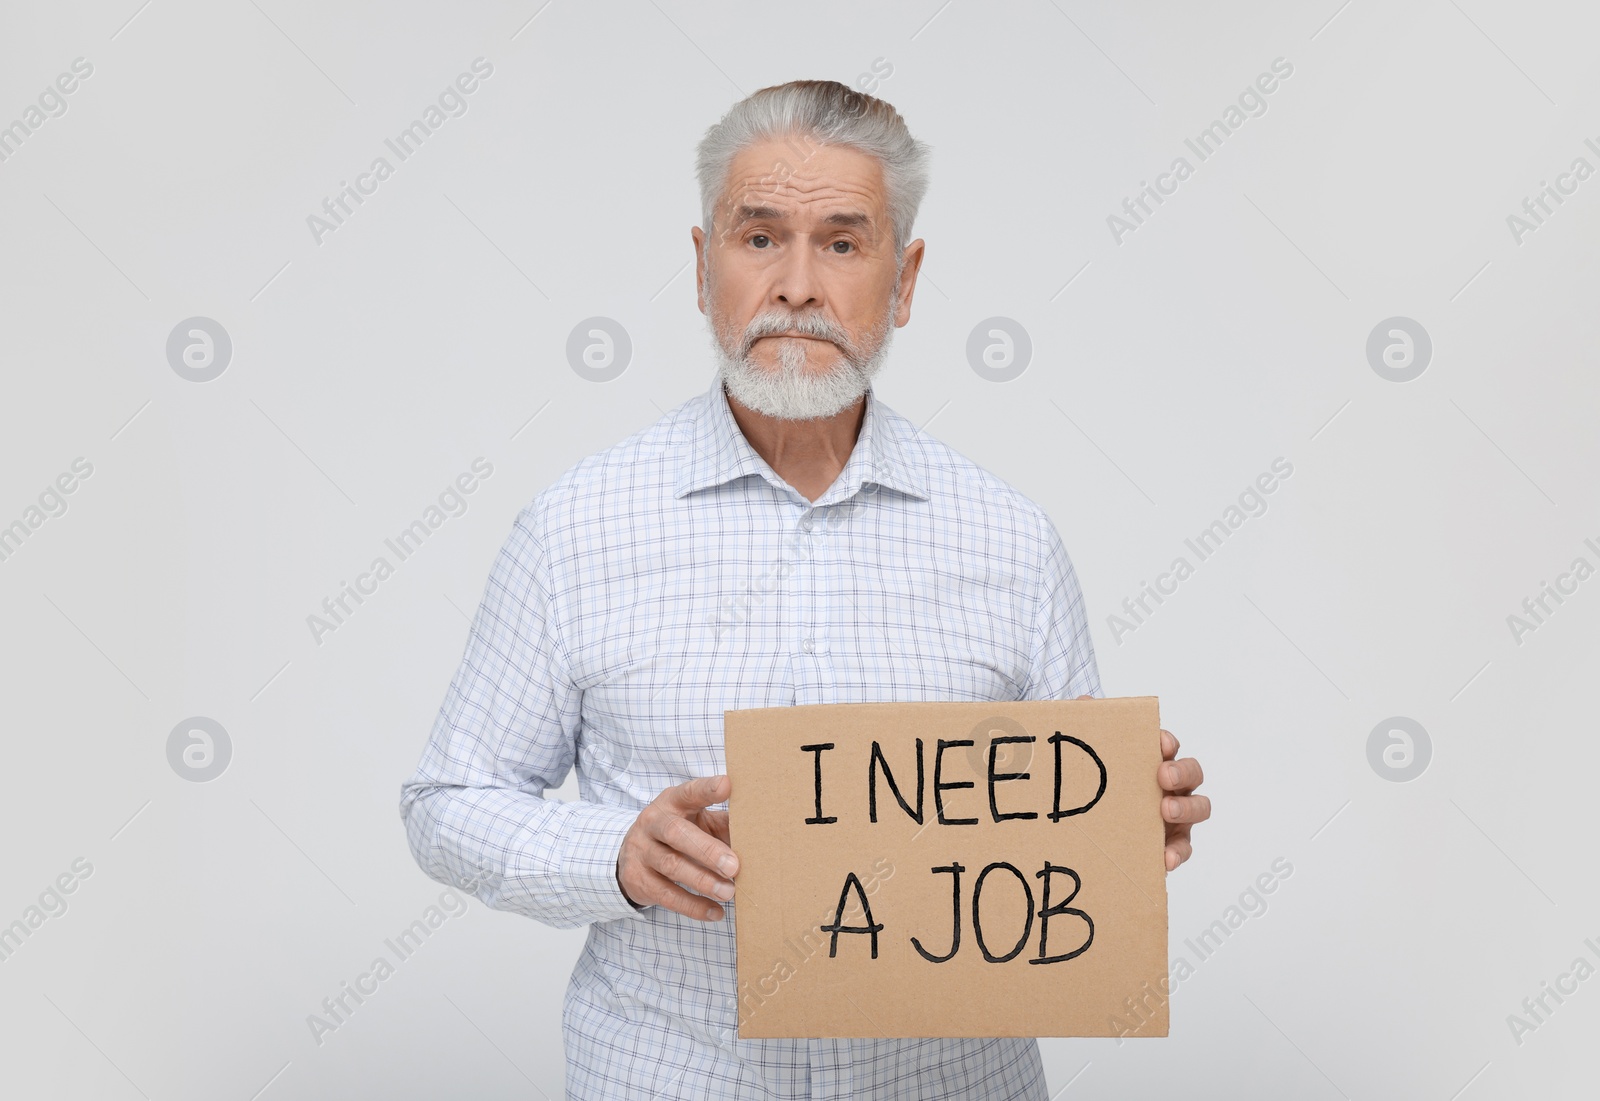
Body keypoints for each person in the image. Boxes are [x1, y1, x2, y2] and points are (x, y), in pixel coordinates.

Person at [400, 78, 1209, 1100]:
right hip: (669, 1078)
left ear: (903, 281)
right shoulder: (573, 529)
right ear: (702, 271)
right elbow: (446, 803)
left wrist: (1126, 832)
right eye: (758, 238)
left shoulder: (1011, 539)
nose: (795, 286)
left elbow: (1058, 827)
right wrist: (613, 850)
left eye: (840, 242)